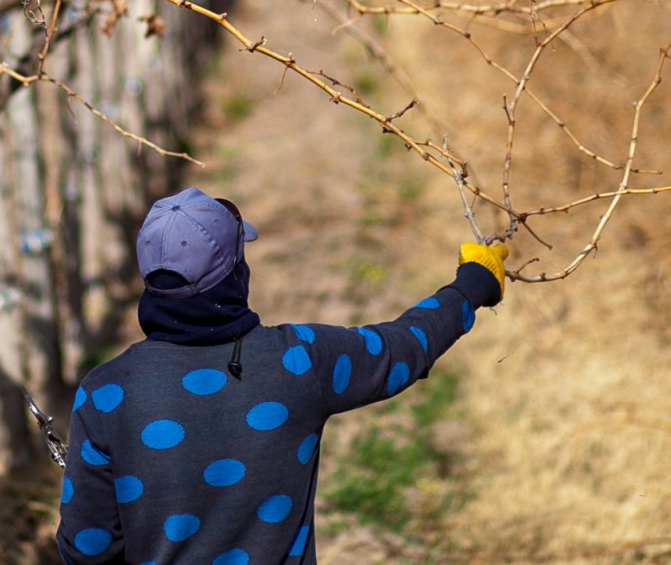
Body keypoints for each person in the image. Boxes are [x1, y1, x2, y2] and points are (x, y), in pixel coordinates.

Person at [56, 186, 508, 564]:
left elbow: (86, 548)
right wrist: (473, 285)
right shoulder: (300, 363)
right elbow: (402, 348)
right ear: (237, 274)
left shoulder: (106, 394)